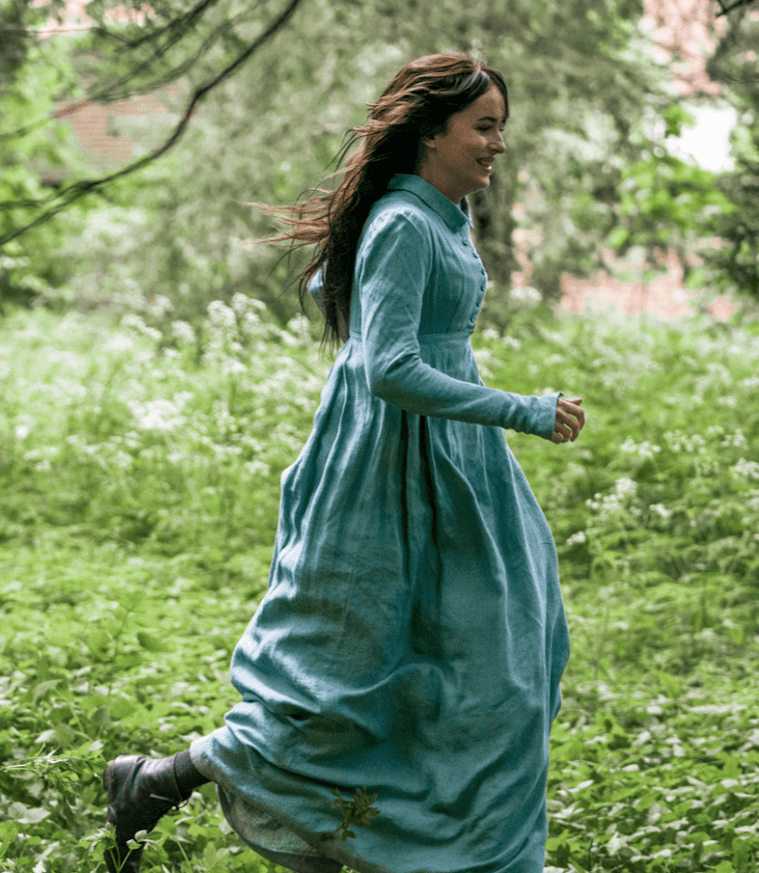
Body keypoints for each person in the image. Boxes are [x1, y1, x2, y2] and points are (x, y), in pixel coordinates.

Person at [101, 54, 584, 873]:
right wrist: (521, 409)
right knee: (344, 678)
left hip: (454, 463)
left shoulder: (442, 215)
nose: (499, 143)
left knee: (503, 658)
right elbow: (386, 366)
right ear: (431, 133)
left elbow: (396, 322)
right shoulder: (403, 222)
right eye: (485, 126)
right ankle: (161, 778)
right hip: (387, 467)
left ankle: (472, 851)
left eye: (501, 125)